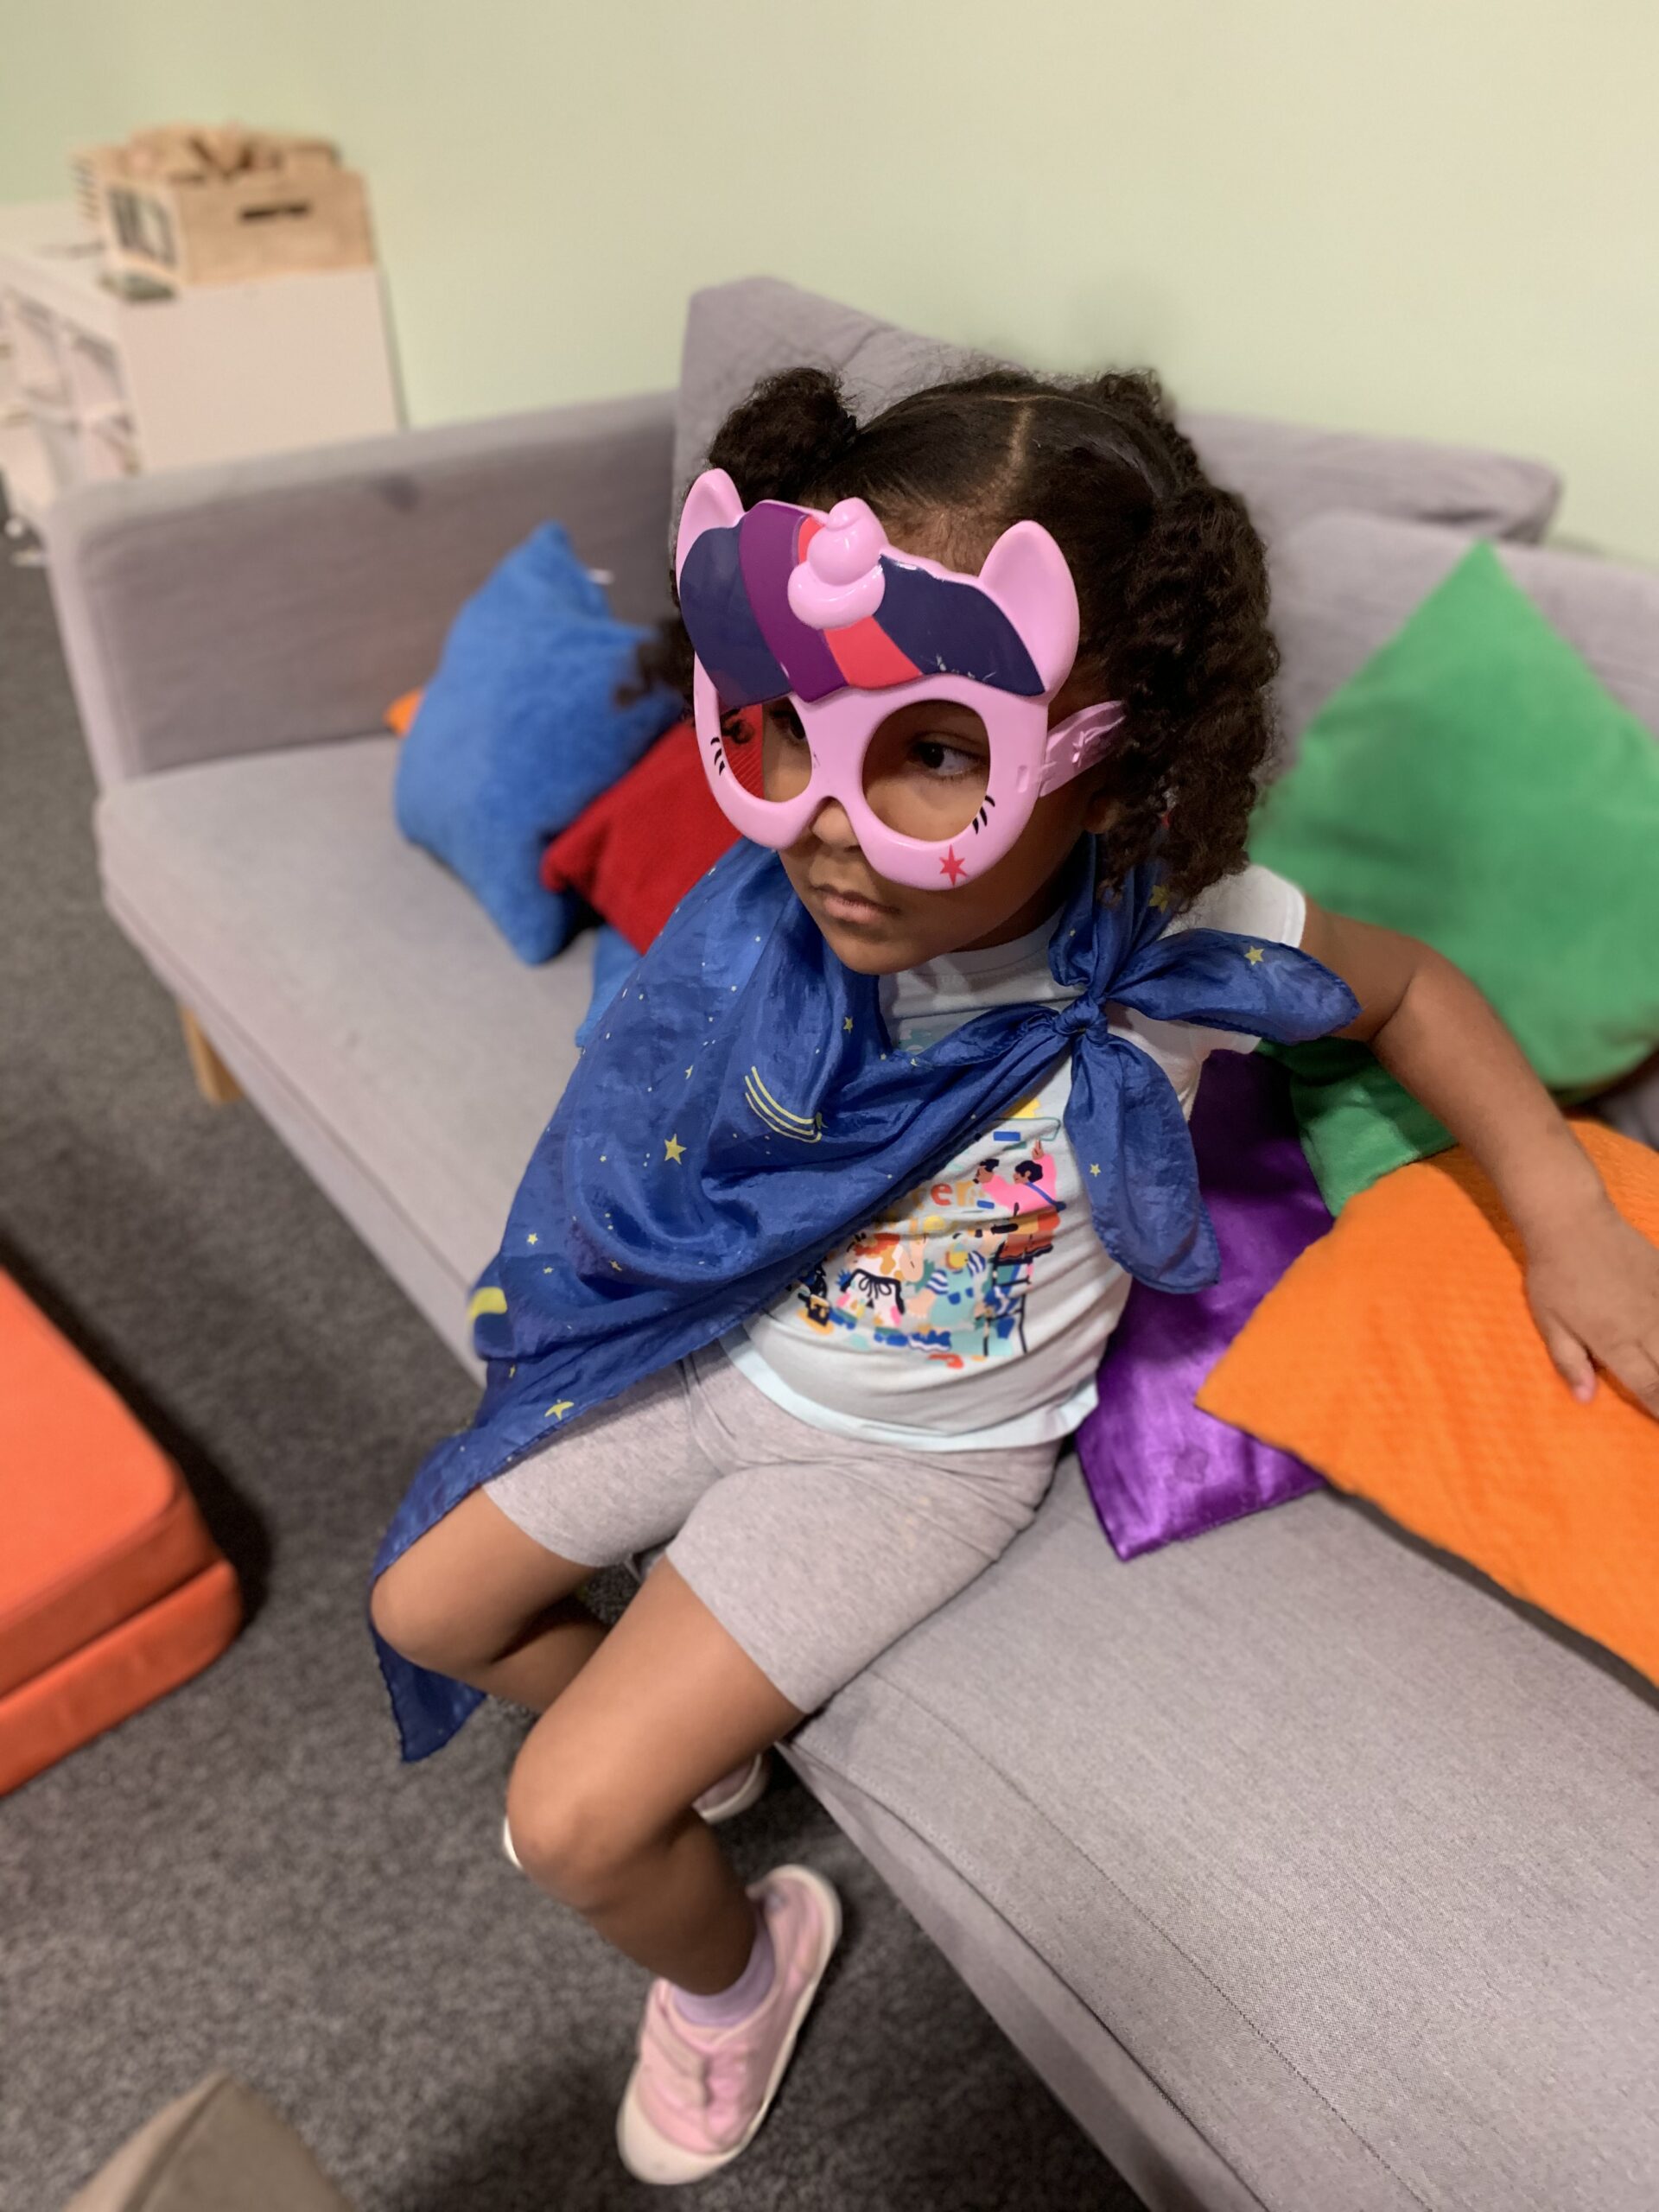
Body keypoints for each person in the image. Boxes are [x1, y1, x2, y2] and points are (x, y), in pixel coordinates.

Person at [370, 365, 1659, 2185]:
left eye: (939, 750)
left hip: (912, 1461)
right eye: (799, 730)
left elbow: (1418, 989)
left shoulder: (1197, 941)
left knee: (575, 1818)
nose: (834, 813)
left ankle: (745, 1969)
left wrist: (1571, 1211)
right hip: (716, 1345)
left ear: (1109, 752)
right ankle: (714, 1755)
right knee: (428, 1607)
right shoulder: (771, 908)